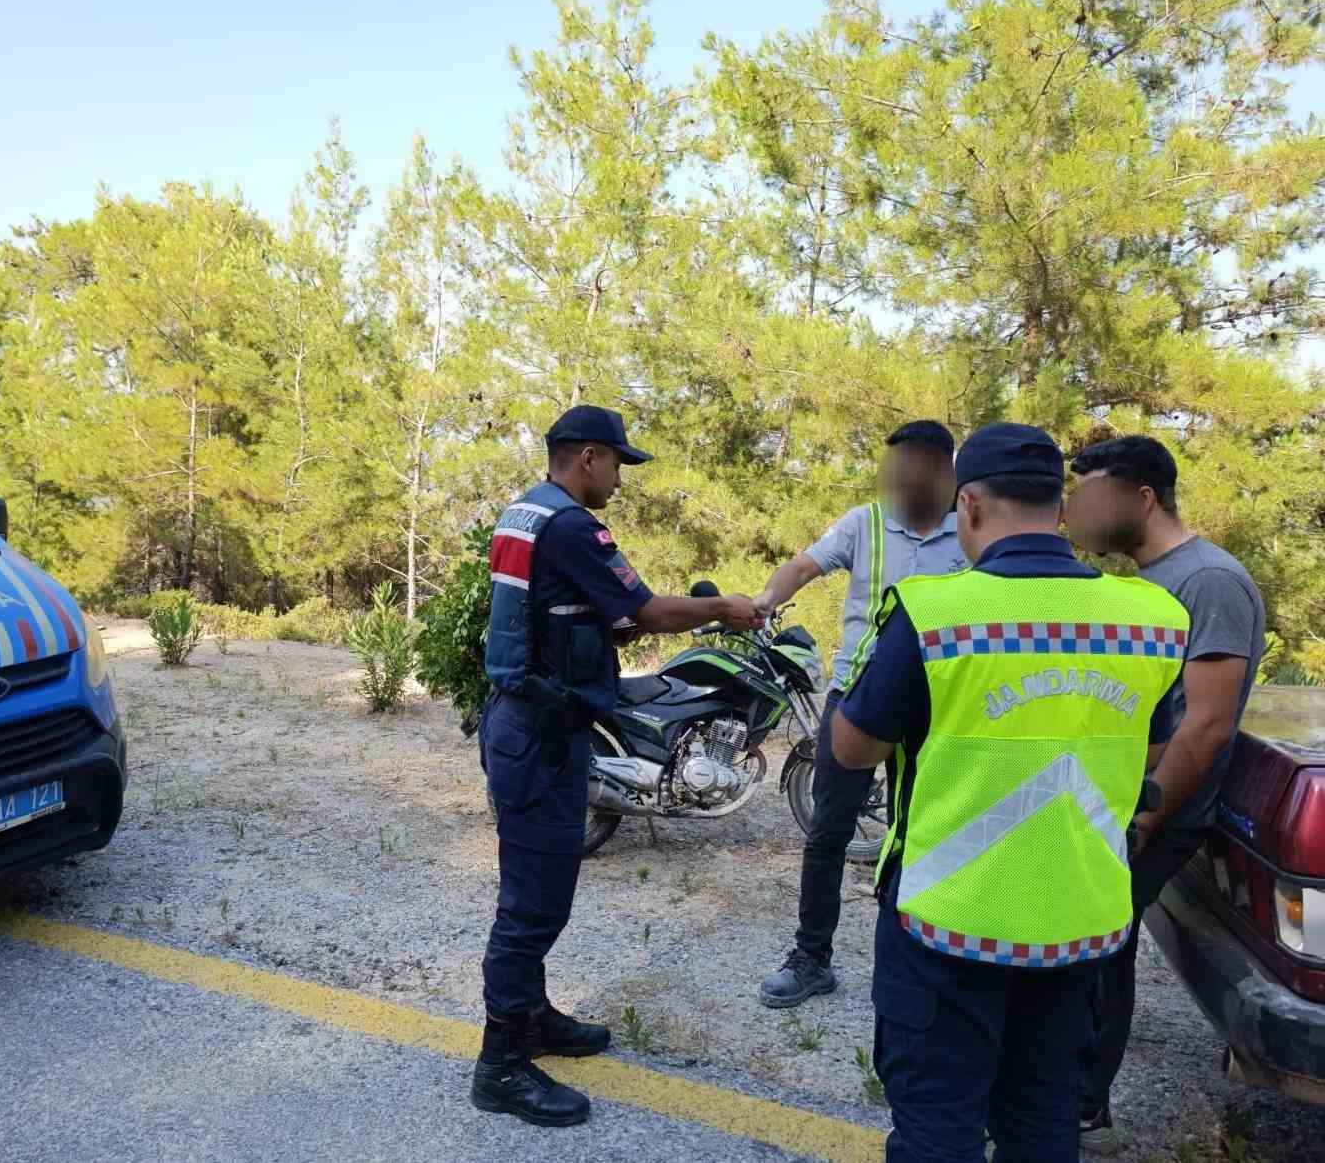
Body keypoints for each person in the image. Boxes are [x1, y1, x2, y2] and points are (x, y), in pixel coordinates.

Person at [829, 423, 1189, 1161]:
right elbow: (1151, 747)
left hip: (946, 922)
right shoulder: (1152, 620)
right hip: (1079, 923)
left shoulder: (933, 611)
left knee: (939, 1127)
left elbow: (850, 746)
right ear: (1059, 507)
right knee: (1042, 1118)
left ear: (967, 506)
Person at [470, 405, 762, 1128]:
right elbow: (649, 612)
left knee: (538, 894)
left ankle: (531, 1017)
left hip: (528, 723)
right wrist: (724, 607)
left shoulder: (525, 513)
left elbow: (569, 611)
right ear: (589, 458)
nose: (620, 482)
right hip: (540, 735)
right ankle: (500, 1063)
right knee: (531, 908)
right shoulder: (572, 524)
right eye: (618, 466)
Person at [1067, 436, 1266, 1155]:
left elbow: (1207, 726)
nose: (1073, 512)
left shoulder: (1208, 581)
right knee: (1090, 946)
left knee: (1097, 950)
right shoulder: (1147, 582)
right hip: (1122, 802)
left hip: (1162, 813)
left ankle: (1085, 1111)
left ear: (1140, 497)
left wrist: (1143, 819)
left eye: (1087, 495)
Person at [754, 420, 966, 1009]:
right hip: (857, 698)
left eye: (916, 466)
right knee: (828, 832)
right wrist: (768, 598)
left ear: (945, 471)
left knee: (928, 834)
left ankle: (920, 960)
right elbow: (805, 564)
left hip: (941, 707)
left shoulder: (968, 531)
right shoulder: (865, 522)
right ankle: (811, 958)